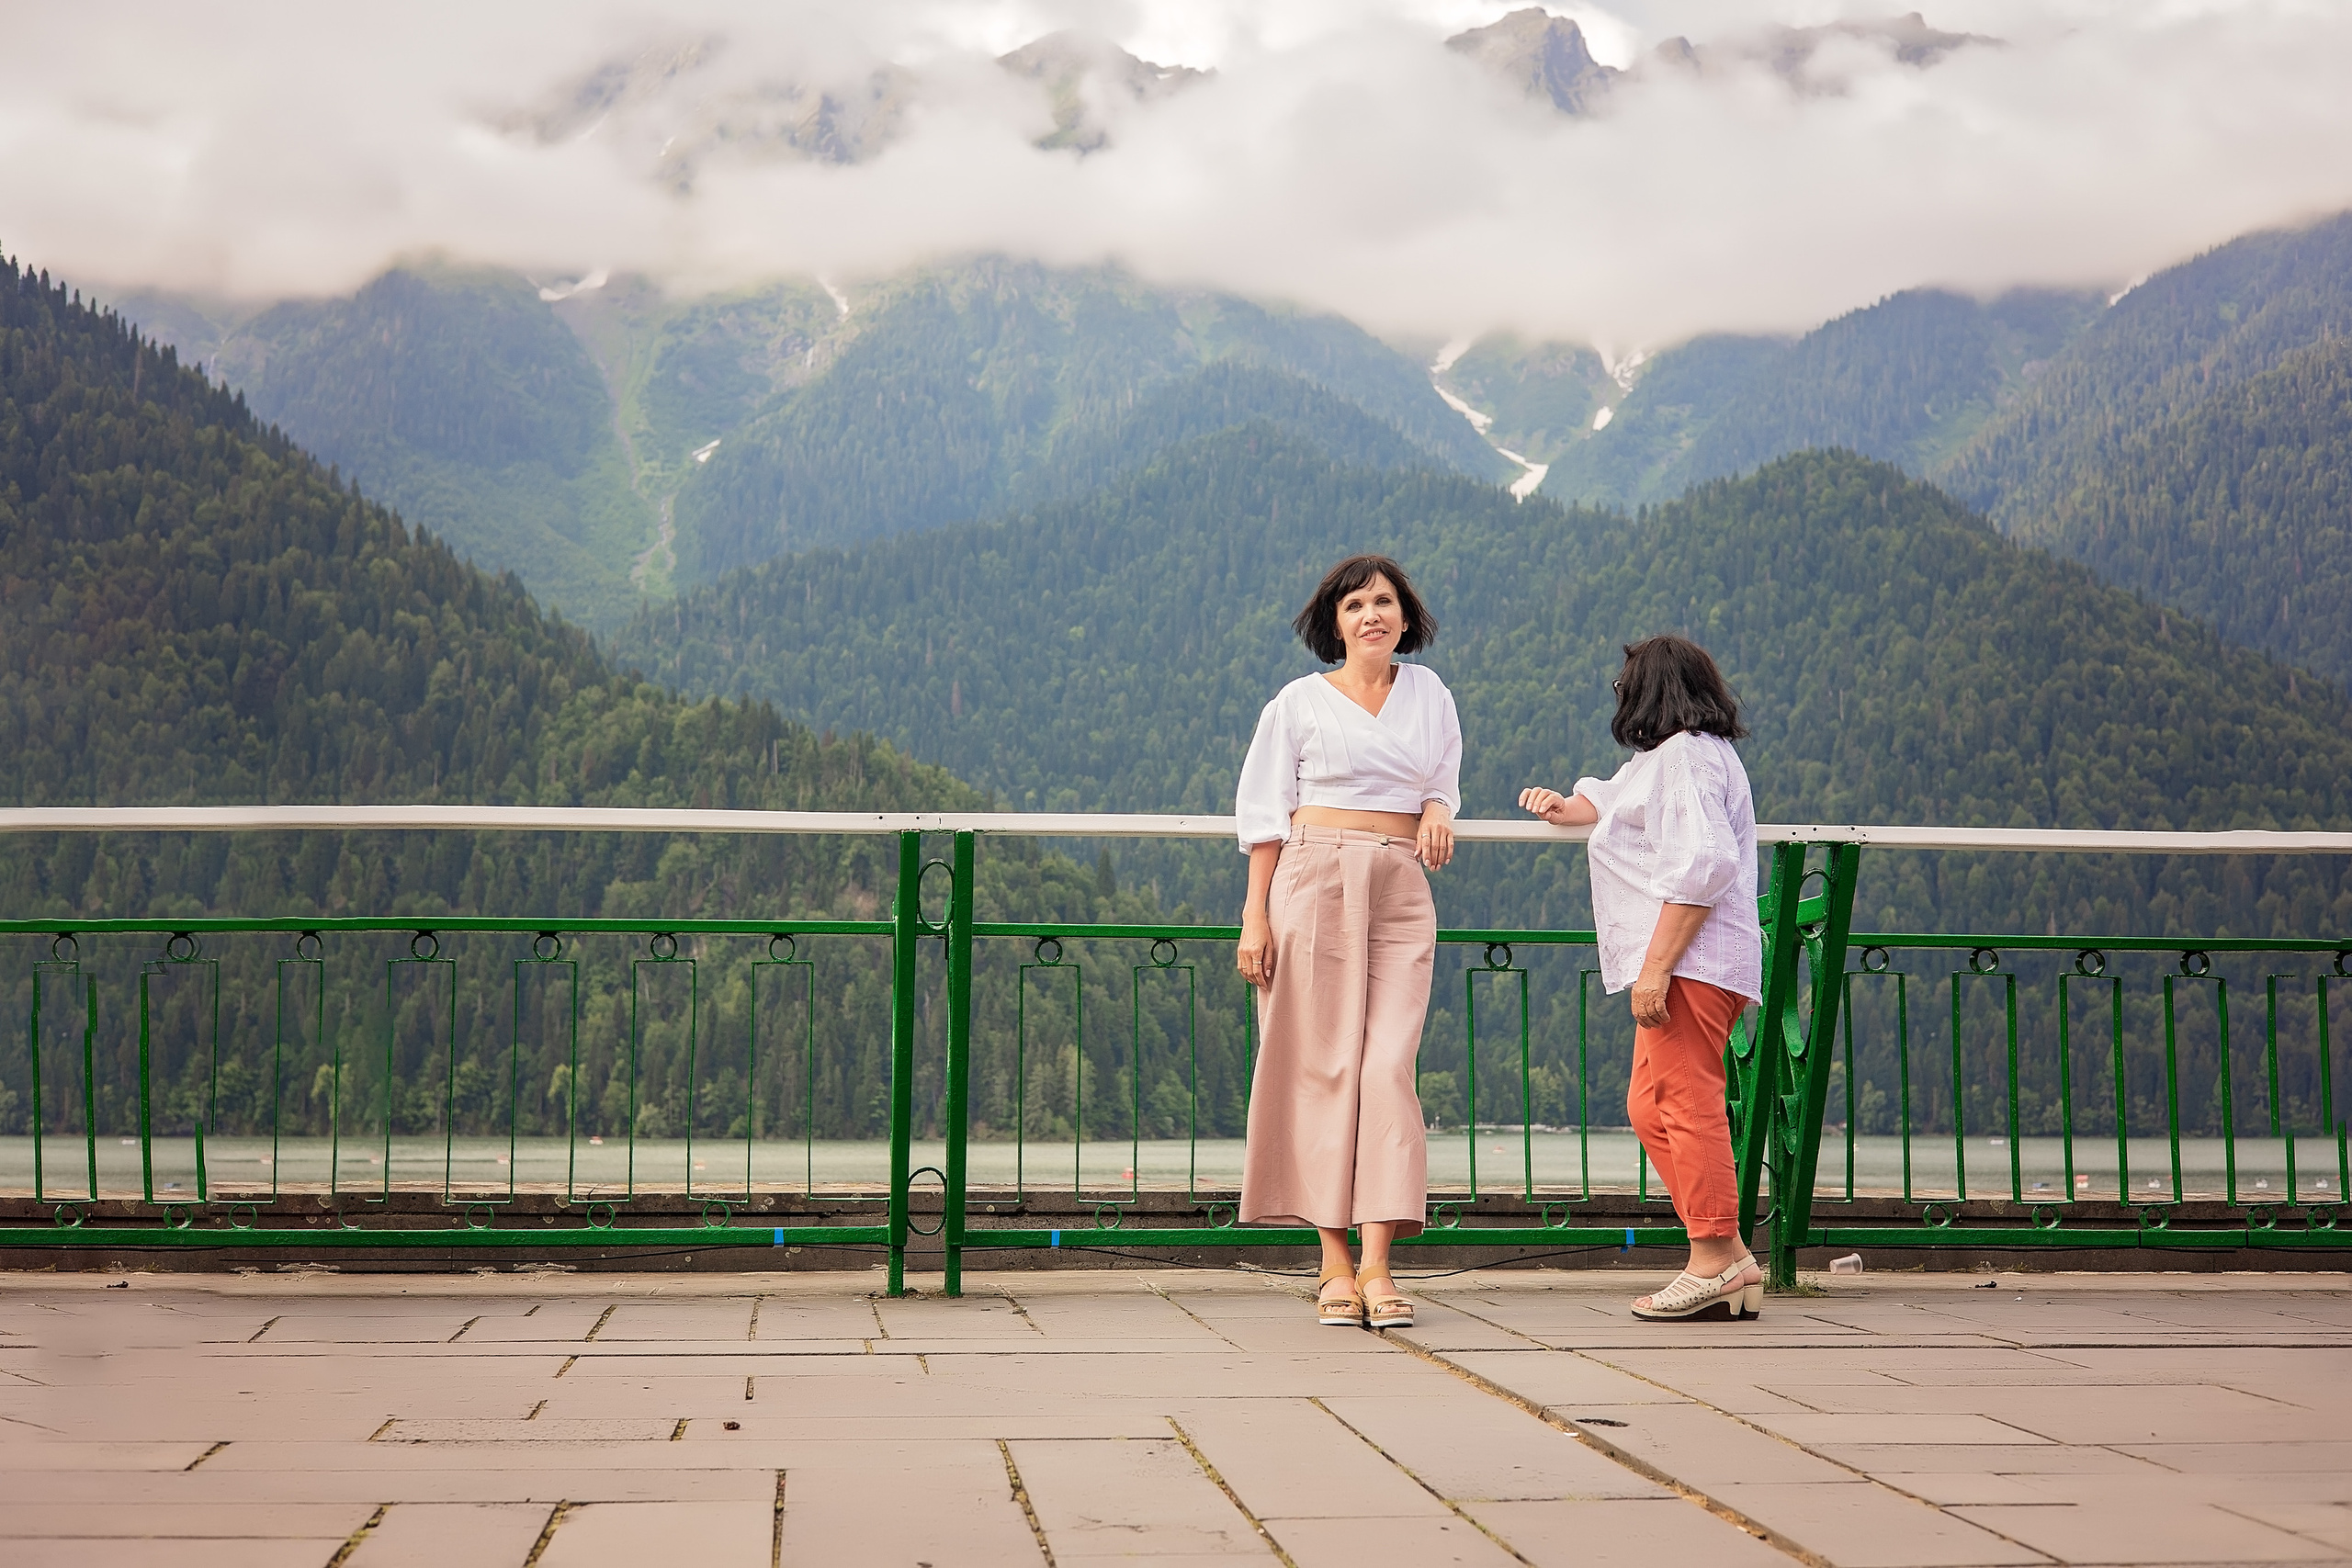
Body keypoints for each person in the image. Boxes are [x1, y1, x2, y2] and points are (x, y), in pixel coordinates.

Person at [1234, 555, 1460, 1330]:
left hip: (1400, 884)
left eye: (1386, 602)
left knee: (1387, 1068)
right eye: (1357, 603)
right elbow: (1265, 815)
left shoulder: (1428, 692)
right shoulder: (1296, 703)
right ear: (1335, 619)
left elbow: (1442, 775)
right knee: (1324, 1067)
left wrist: (1436, 805)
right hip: (1314, 876)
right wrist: (1254, 916)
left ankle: (1379, 1263)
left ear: (1406, 616)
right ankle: (1335, 1264)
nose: (1373, 614)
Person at [1517, 635, 1764, 1322]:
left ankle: (1711, 1257)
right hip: (1701, 961)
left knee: (1684, 1103)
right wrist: (1568, 806)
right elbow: (1617, 797)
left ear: (1650, 689)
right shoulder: (1672, 757)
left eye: (1626, 684)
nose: (1620, 695)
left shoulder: (1685, 755)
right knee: (1651, 1105)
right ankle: (1731, 1252)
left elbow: (1705, 864)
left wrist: (1656, 968)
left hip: (1690, 960)